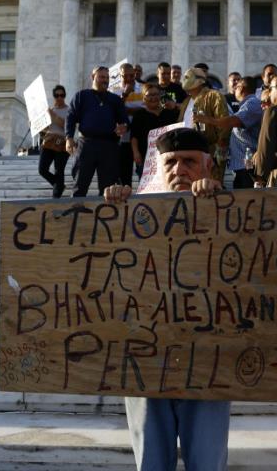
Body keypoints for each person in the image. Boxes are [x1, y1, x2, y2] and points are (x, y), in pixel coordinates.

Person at [102, 127, 227, 471]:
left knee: (207, 462)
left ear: (208, 167)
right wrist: (114, 209)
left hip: (208, 357)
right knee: (151, 463)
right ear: (158, 168)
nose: (179, 170)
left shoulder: (229, 206)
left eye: (189, 162)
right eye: (171, 162)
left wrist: (222, 201)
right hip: (145, 356)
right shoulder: (132, 210)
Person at [65, 66, 128, 197]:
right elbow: (70, 117)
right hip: (86, 144)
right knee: (80, 185)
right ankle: (75, 214)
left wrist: (123, 126)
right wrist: (69, 138)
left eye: (107, 77)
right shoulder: (81, 96)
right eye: (101, 77)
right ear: (93, 77)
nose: (105, 80)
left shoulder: (115, 100)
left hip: (108, 145)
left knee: (108, 187)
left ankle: (106, 215)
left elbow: (124, 120)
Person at [195, 76, 262, 189]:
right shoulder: (246, 105)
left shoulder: (252, 103)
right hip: (241, 167)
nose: (234, 91)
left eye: (236, 88)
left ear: (241, 88)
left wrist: (207, 119)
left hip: (248, 167)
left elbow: (233, 121)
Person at [177, 67, 231, 182]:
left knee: (211, 187)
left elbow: (224, 122)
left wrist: (221, 148)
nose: (184, 79)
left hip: (209, 152)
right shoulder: (187, 101)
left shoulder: (214, 96)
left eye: (188, 77)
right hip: (188, 151)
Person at [130, 82, 179, 177]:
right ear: (144, 98)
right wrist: (136, 153)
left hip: (167, 157)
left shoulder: (170, 113)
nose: (153, 98)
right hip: (146, 158)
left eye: (156, 94)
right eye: (150, 95)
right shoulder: (139, 115)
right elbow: (134, 137)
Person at [40, 84, 70, 198]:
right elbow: (44, 130)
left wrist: (53, 115)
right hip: (48, 142)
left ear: (65, 96)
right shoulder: (49, 110)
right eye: (57, 95)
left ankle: (56, 196)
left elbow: (66, 126)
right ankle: (58, 185)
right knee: (42, 169)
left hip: (62, 143)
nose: (59, 98)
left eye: (62, 95)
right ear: (54, 96)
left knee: (59, 170)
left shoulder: (69, 110)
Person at [118, 62, 145, 186]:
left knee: (143, 172)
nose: (128, 79)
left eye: (131, 76)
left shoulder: (143, 88)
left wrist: (126, 109)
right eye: (125, 76)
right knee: (124, 174)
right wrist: (125, 95)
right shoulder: (115, 90)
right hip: (123, 139)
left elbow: (146, 110)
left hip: (140, 136)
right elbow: (115, 110)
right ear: (120, 75)